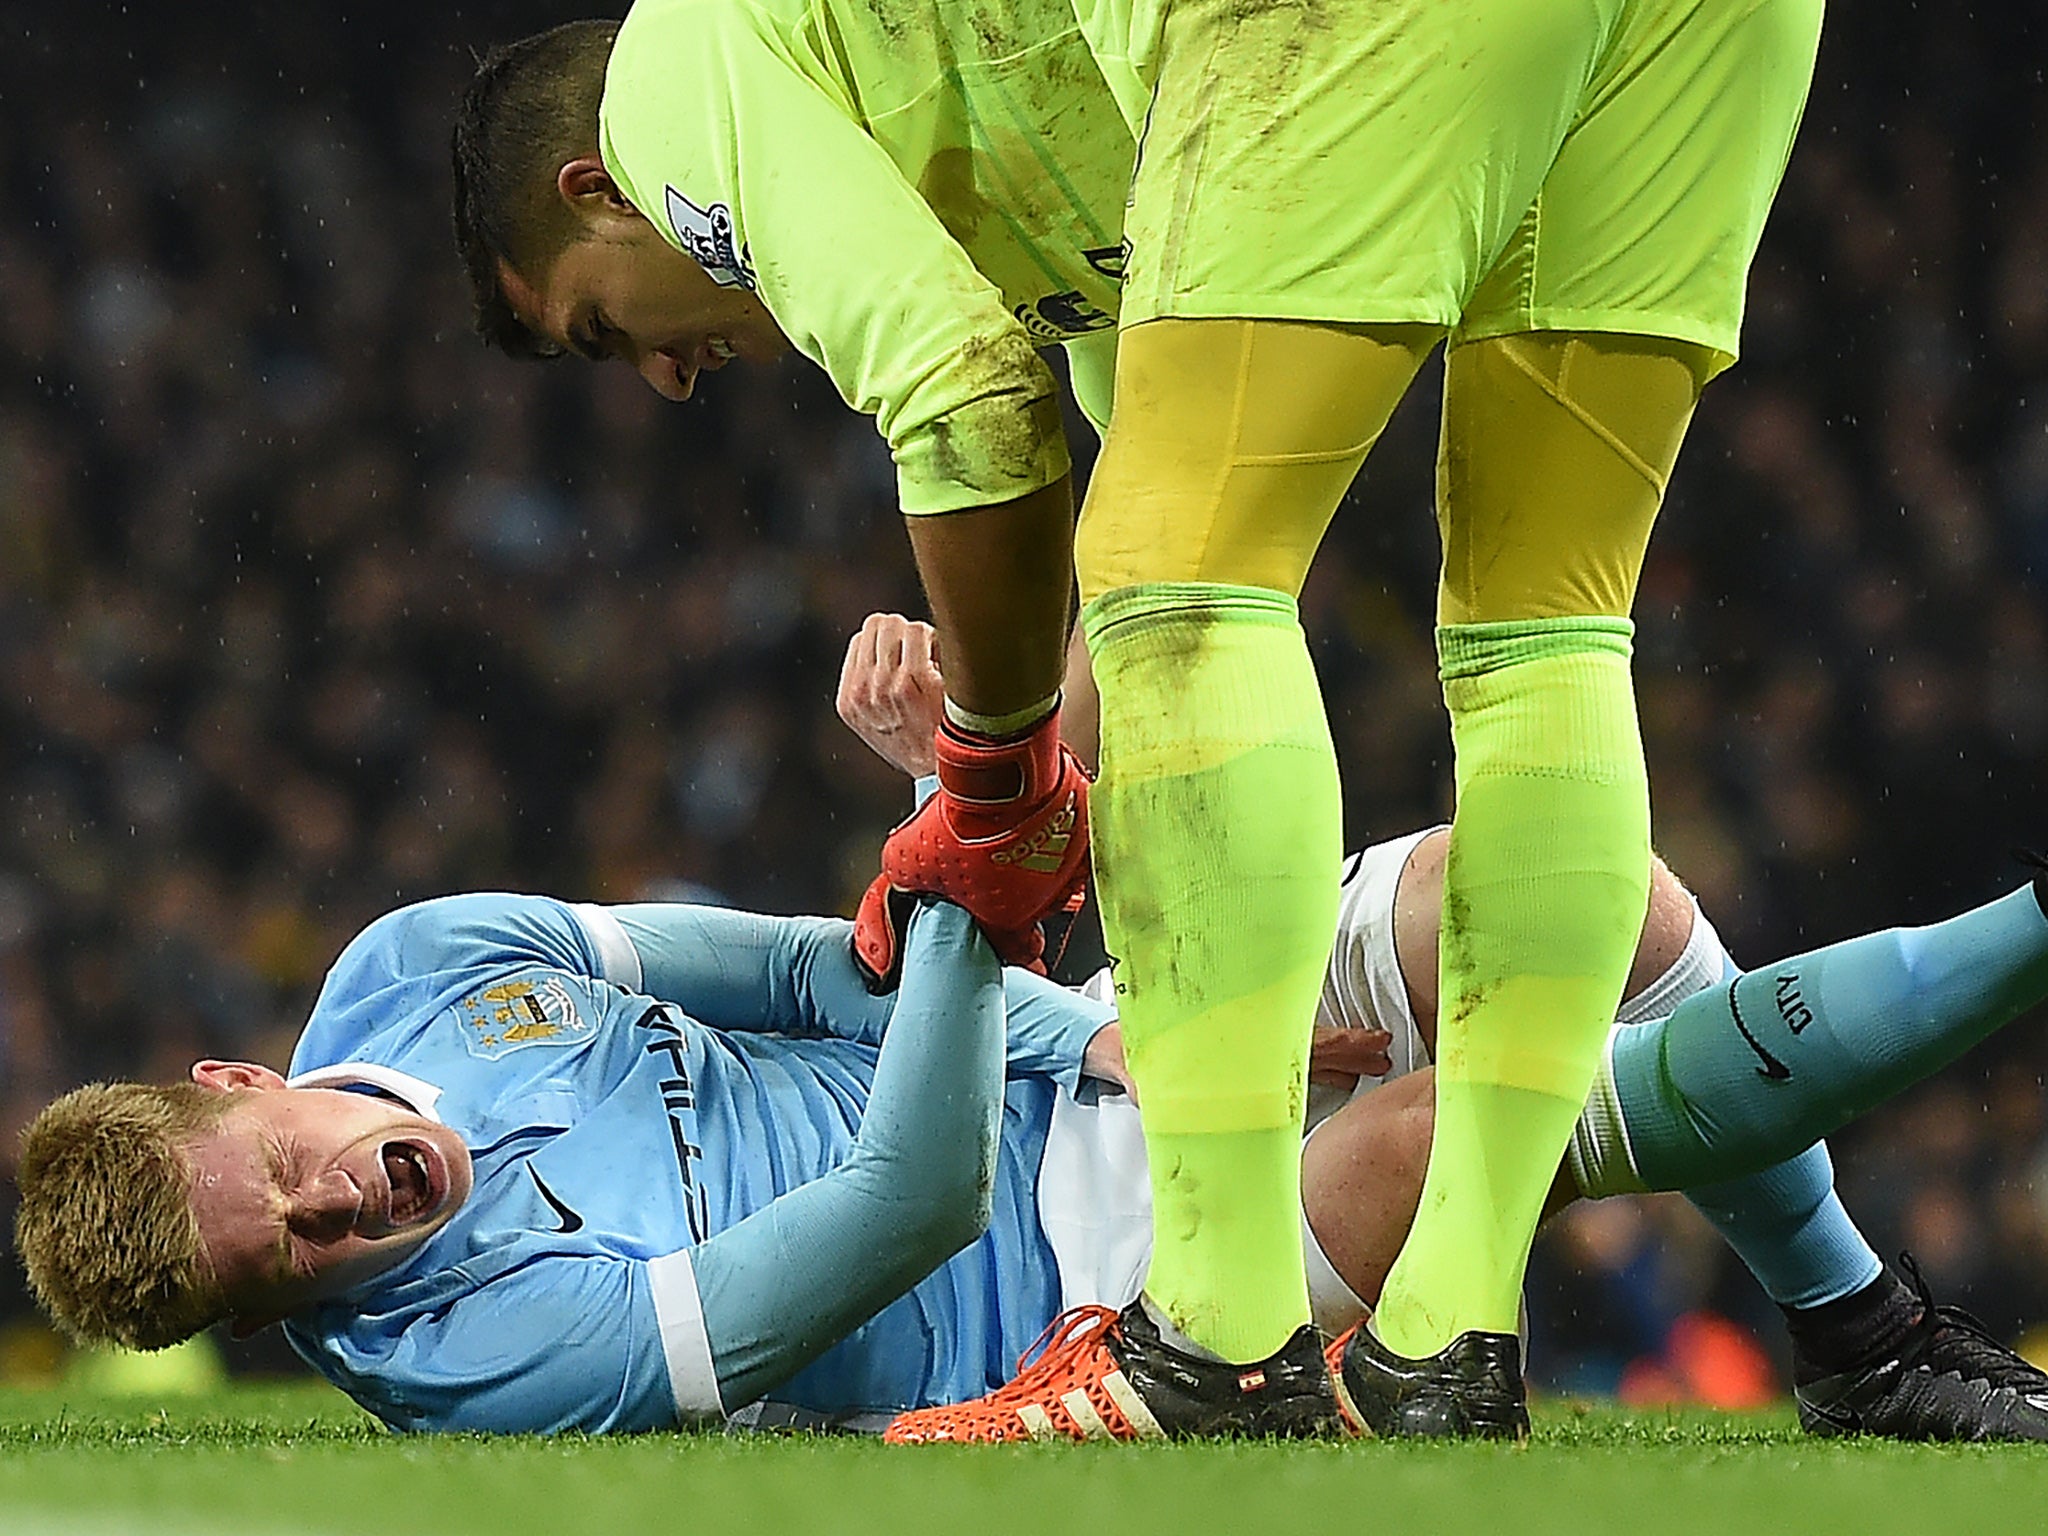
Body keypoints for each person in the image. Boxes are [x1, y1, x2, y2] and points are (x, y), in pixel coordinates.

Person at [452, 0, 1830, 1435]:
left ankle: (1215, 1348)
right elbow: (1123, 500)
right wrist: (1037, 800)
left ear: (596, 189)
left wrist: (991, 782)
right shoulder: (1008, 124)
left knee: (1191, 589)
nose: (669, 377)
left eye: (608, 328)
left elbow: (971, 410)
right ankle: (1450, 1334)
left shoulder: (675, 78)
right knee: (1544, 624)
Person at [18, 619, 2048, 1443]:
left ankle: (1853, 1324)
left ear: (240, 1081)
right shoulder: (464, 1362)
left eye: (270, 1181)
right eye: (284, 1272)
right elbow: (903, 1209)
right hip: (1070, 1289)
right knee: (1451, 1128)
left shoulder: (422, 959)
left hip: (1060, 1054)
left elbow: (829, 975)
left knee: (1577, 886)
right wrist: (973, 842)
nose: (327, 1224)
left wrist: (1047, 990)